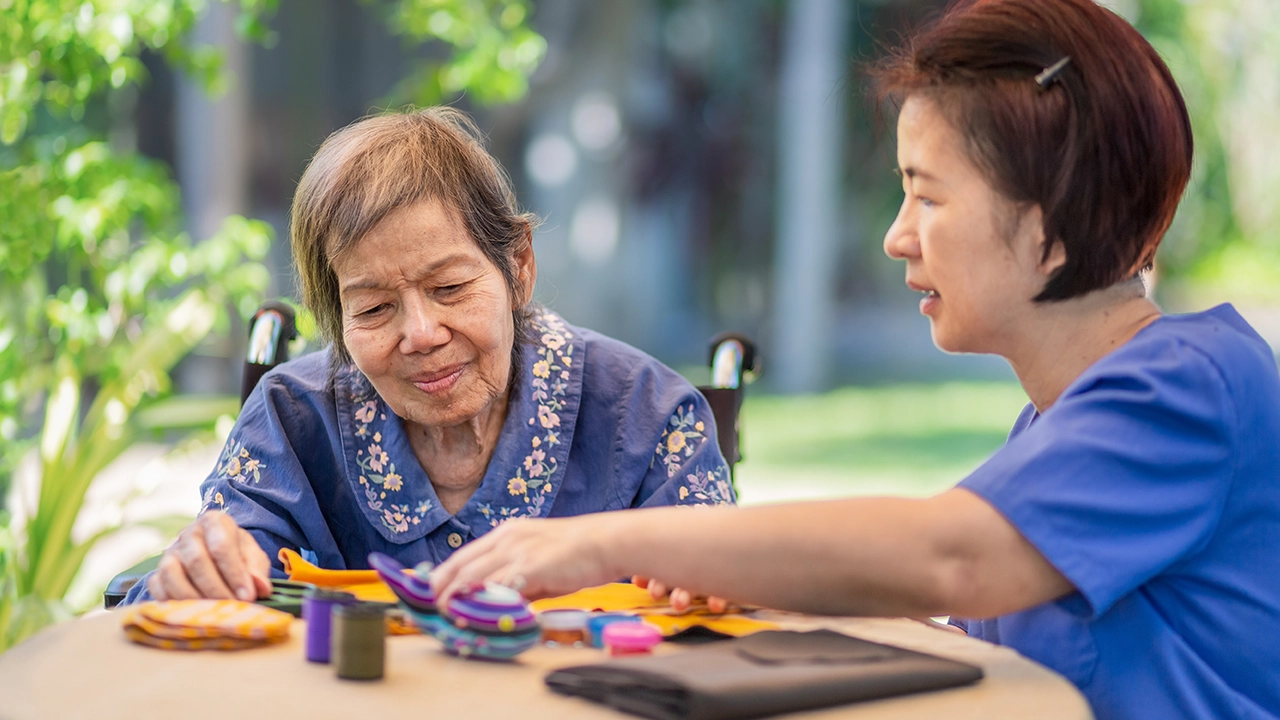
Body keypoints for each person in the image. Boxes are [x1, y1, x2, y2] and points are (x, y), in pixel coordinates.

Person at [431, 2, 1280, 718]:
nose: (896, 235)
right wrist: (748, 574)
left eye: (928, 193)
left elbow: (949, 557)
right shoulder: (1056, 427)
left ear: (1050, 218)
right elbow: (975, 646)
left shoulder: (1193, 386)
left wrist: (599, 544)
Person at [127, 107, 734, 605]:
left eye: (449, 289)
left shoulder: (648, 414)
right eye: (373, 309)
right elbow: (200, 590)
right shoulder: (292, 420)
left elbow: (726, 594)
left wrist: (708, 580)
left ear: (518, 267)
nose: (420, 333)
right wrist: (195, 571)